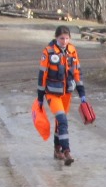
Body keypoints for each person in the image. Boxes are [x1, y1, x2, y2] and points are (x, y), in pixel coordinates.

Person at [37, 25, 87, 165]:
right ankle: (66, 151)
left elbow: (77, 73)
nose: (64, 41)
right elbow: (42, 75)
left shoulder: (72, 51)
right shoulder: (48, 52)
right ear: (56, 38)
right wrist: (40, 97)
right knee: (62, 120)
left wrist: (82, 93)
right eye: (61, 38)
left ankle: (57, 149)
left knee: (60, 123)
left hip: (67, 93)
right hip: (52, 93)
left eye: (66, 38)